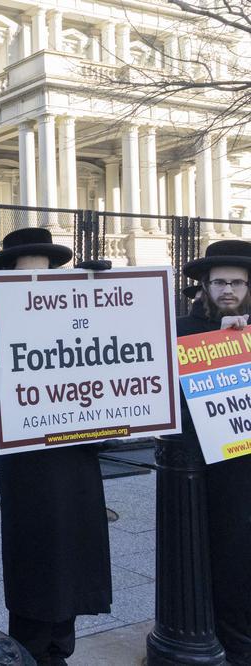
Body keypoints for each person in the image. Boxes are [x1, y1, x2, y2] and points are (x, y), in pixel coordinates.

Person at [0, 228, 112, 666]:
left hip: (77, 453)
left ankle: (61, 644)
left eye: (44, 274)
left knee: (77, 550)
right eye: (26, 275)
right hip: (29, 458)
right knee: (36, 554)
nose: (36, 283)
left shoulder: (85, 316)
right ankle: (32, 646)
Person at [178, 240, 251, 664]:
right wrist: (217, 344)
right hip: (206, 466)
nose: (228, 290)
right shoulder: (185, 329)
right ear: (204, 286)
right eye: (219, 282)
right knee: (225, 556)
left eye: (237, 282)